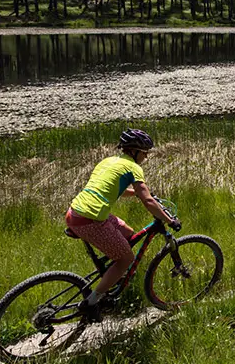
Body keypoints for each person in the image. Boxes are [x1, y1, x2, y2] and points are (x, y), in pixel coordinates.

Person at [65, 128, 179, 321]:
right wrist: (170, 220)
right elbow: (148, 202)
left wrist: (136, 193)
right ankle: (92, 302)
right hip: (91, 219)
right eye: (145, 153)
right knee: (126, 259)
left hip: (76, 212)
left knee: (129, 234)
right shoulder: (134, 168)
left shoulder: (108, 161)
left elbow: (113, 186)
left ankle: (113, 275)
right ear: (135, 151)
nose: (146, 157)